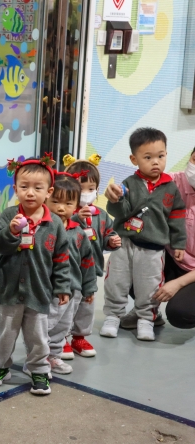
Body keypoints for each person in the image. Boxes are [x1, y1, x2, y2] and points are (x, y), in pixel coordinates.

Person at [0, 154, 70, 396]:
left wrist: (62, 286)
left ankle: (39, 369)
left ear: (49, 191)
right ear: (15, 189)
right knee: (5, 334)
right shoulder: (8, 215)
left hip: (39, 291)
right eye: (24, 187)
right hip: (8, 291)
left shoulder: (54, 223)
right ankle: (0, 367)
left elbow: (61, 258)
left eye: (37, 188)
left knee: (38, 337)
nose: (30, 193)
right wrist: (12, 231)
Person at [103, 127, 187, 341]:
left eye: (160, 156)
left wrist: (178, 243)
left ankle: (146, 319)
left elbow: (177, 218)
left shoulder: (171, 188)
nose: (155, 162)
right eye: (148, 157)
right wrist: (116, 199)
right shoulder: (129, 184)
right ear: (134, 159)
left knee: (149, 285)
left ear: (166, 155)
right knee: (117, 281)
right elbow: (119, 212)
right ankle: (113, 316)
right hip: (124, 243)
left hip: (153, 249)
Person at [122, 147, 195, 331]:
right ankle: (147, 311)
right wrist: (116, 196)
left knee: (180, 313)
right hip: (171, 257)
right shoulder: (170, 183)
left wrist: (178, 283)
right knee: (126, 266)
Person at [63, 154, 121, 358]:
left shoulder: (101, 215)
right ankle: (61, 338)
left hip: (91, 268)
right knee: (66, 304)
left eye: (91, 188)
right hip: (67, 269)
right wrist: (75, 217)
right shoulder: (64, 213)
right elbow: (59, 232)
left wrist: (112, 240)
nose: (86, 193)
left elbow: (107, 233)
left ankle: (79, 337)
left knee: (86, 303)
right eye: (81, 189)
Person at [44, 173, 96, 375]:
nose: (60, 208)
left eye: (68, 203)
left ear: (76, 206)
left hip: (73, 290)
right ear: (46, 199)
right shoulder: (43, 229)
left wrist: (89, 287)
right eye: (55, 202)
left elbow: (87, 262)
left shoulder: (79, 232)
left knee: (63, 326)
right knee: (45, 326)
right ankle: (38, 359)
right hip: (49, 289)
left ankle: (54, 357)